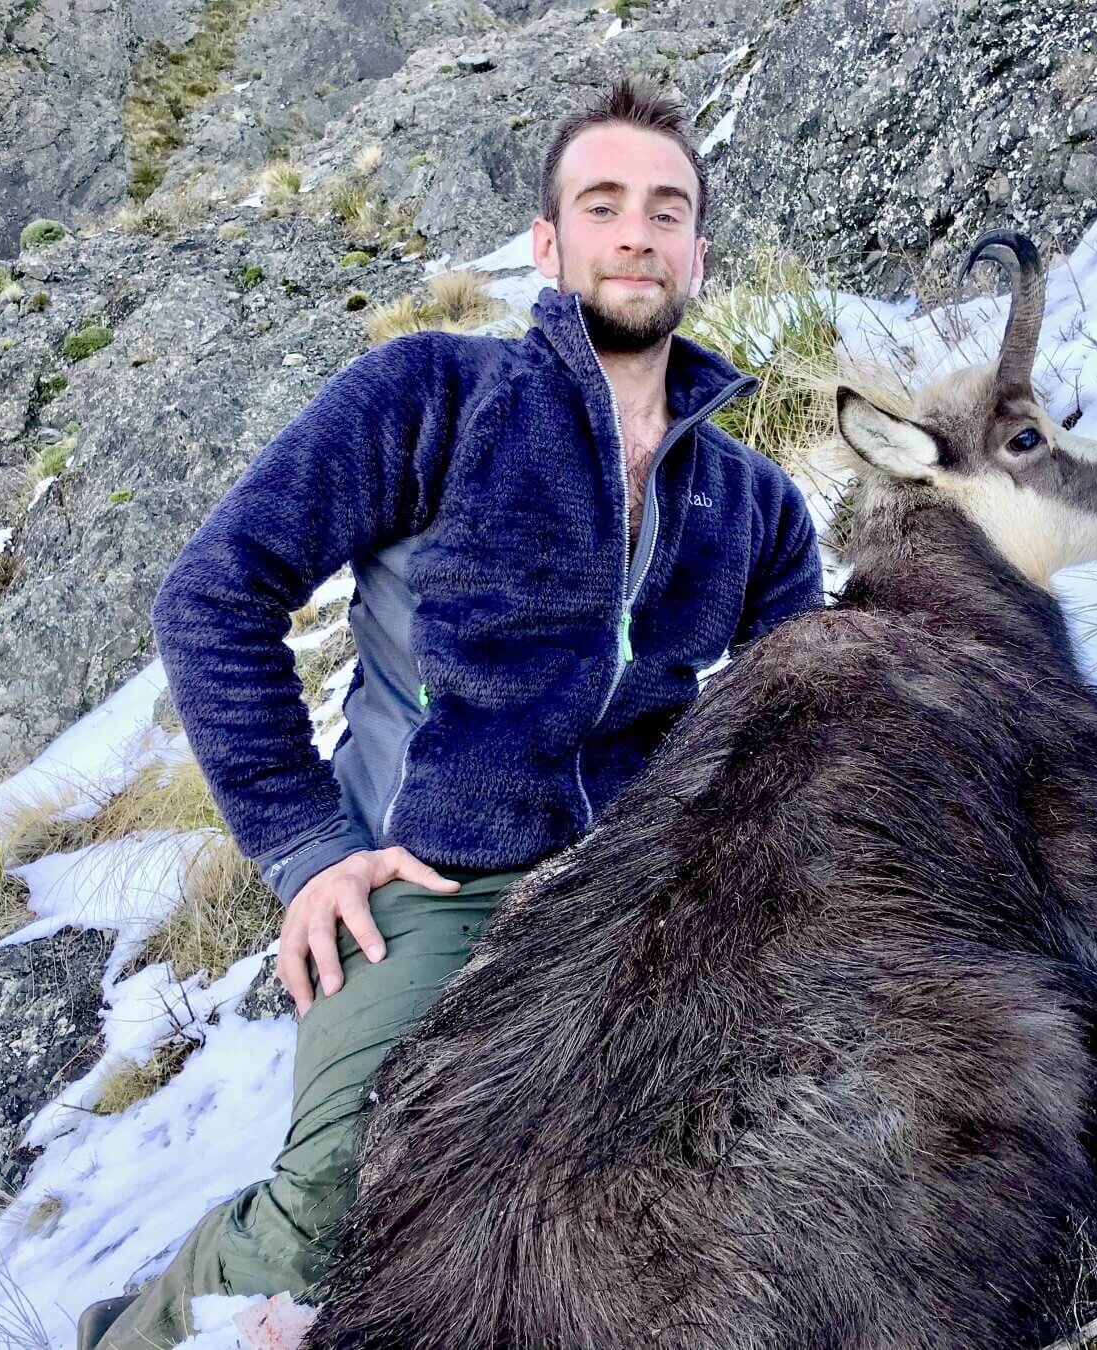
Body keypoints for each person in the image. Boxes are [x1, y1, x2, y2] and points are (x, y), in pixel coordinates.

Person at [75, 76, 825, 1350]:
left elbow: (793, 721)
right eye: (604, 205)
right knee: (343, 1209)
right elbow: (213, 595)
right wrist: (307, 850)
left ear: (700, 251)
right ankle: (138, 1333)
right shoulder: (435, 396)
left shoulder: (753, 504)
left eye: (667, 209)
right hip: (422, 876)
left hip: (635, 888)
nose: (636, 233)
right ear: (551, 244)